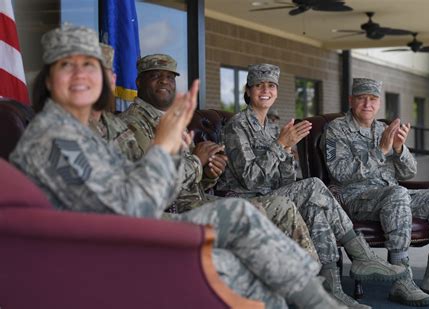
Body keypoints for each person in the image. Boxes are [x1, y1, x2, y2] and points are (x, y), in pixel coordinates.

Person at [9, 24, 342, 308]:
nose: (81, 74)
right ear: (49, 81)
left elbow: (134, 193)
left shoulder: (79, 132)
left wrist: (177, 156)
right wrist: (164, 149)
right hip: (105, 251)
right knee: (245, 258)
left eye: (90, 66)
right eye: (67, 65)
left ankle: (318, 300)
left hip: (127, 231)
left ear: (106, 79)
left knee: (242, 222)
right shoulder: (54, 138)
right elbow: (131, 208)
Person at [217, 63, 407, 309]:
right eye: (259, 85)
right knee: (315, 186)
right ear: (248, 90)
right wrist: (280, 146)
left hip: (271, 197)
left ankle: (332, 289)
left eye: (271, 86)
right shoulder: (238, 125)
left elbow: (285, 182)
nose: (266, 90)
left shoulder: (272, 127)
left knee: (316, 207)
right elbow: (251, 178)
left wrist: (286, 151)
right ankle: (360, 255)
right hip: (246, 200)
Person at [119, 53, 320, 261]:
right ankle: (299, 283)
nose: (164, 81)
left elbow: (197, 180)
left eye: (170, 77)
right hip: (170, 209)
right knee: (266, 209)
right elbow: (151, 182)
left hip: (199, 199)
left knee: (310, 200)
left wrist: (209, 171)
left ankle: (314, 278)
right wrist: (198, 162)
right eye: (155, 76)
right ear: (139, 82)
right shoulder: (131, 124)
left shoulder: (172, 121)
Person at [322, 77, 429, 306]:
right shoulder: (336, 129)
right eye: (361, 98)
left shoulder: (383, 128)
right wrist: (380, 151)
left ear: (379, 103)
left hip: (392, 195)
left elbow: (409, 172)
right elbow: (339, 172)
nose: (367, 104)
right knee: (397, 193)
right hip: (356, 199)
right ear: (351, 100)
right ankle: (402, 280)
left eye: (373, 99)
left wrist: (398, 149)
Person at [88, 43, 143, 161]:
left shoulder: (116, 125)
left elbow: (139, 171)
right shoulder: (59, 127)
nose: (94, 81)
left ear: (113, 81)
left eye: (101, 74)